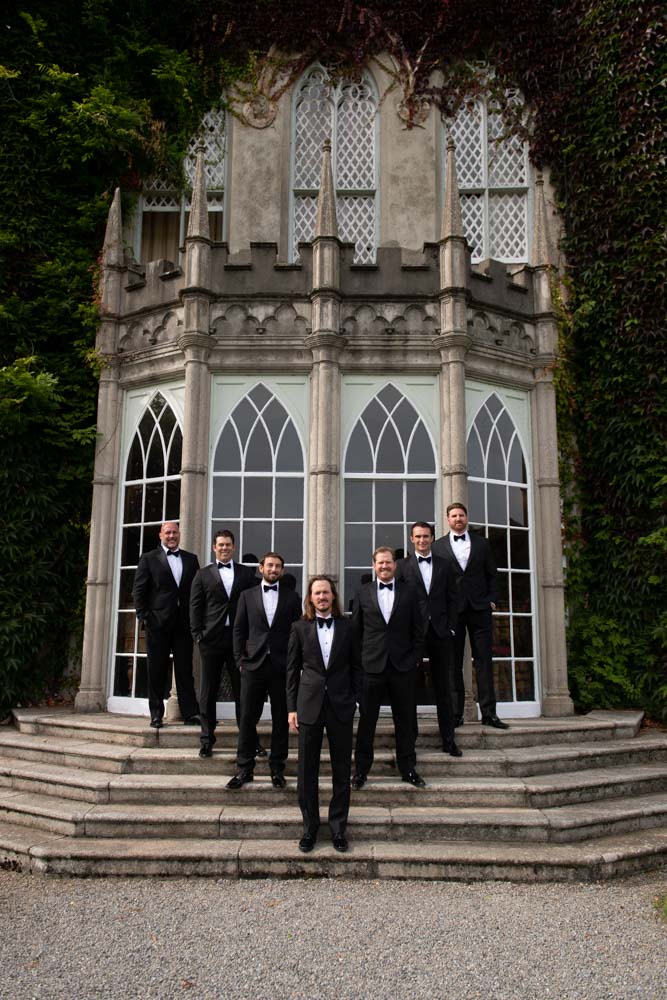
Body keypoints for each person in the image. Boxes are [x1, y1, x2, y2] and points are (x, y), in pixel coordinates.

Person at [287, 576, 362, 854]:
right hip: (309, 705)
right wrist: (291, 708)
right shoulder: (298, 627)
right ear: (310, 597)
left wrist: (355, 699)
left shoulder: (349, 626)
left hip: (341, 705)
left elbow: (358, 667)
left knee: (342, 771)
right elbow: (291, 671)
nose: (322, 597)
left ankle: (338, 829)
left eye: (326, 593)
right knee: (307, 771)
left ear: (333, 597)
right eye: (317, 593)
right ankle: (309, 828)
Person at [351, 546, 426, 788]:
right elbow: (356, 632)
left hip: (402, 666)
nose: (384, 566)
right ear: (374, 566)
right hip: (371, 666)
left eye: (389, 562)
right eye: (380, 563)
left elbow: (418, 629)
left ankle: (408, 769)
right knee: (367, 722)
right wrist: (360, 662)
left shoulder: (410, 592)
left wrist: (414, 657)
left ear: (395, 565)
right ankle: (361, 771)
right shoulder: (362, 593)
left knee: (405, 720)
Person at [227, 552, 302, 789]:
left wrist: (294, 661)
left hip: (281, 666)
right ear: (261, 568)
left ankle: (277, 769)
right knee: (248, 718)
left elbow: (296, 633)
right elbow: (238, 630)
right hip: (253, 665)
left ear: (282, 570)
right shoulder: (246, 596)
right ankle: (244, 769)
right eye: (270, 565)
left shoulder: (292, 597)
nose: (274, 569)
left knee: (281, 720)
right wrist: (240, 659)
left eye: (278, 566)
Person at [432, 502, 510, 729]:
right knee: (453, 664)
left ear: (466, 517)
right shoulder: (438, 547)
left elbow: (492, 575)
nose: (458, 519)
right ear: (448, 519)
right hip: (453, 612)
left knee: (484, 661)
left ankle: (489, 713)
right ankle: (456, 714)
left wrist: (492, 600)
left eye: (461, 515)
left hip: (479, 609)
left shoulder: (482, 543)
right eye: (454, 516)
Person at [189, 530, 260, 758]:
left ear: (234, 547)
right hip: (211, 640)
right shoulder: (202, 574)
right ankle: (207, 739)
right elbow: (195, 607)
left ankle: (249, 739)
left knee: (243, 691)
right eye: (220, 545)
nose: (224, 548)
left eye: (228, 544)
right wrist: (198, 634)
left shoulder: (246, 574)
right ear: (214, 547)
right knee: (208, 691)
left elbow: (258, 599)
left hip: (239, 640)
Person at [396, 521, 462, 757]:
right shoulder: (402, 566)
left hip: (441, 632)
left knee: (444, 687)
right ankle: (410, 740)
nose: (422, 540)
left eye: (426, 536)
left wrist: (452, 627)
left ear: (432, 538)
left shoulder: (445, 565)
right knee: (410, 688)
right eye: (418, 536)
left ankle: (448, 740)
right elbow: (398, 602)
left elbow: (453, 599)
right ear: (411, 539)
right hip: (413, 635)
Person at [132, 521, 200, 728]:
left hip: (183, 624)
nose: (171, 535)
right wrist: (145, 616)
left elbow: (196, 592)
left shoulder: (191, 559)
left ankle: (190, 713)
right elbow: (139, 590)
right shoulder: (149, 558)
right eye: (168, 532)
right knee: (156, 670)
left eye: (175, 532)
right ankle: (156, 714)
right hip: (157, 624)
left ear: (180, 534)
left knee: (184, 670)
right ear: (160, 534)